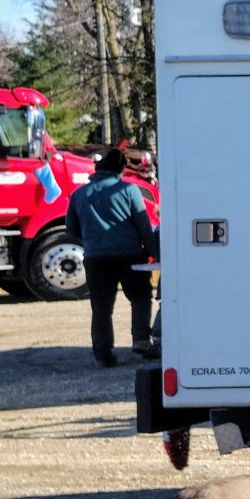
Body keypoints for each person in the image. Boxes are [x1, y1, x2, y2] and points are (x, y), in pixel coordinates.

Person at [67, 146, 156, 367]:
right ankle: (141, 342)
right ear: (121, 169)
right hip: (130, 255)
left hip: (96, 258)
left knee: (101, 308)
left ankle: (102, 354)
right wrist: (155, 251)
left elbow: (71, 228)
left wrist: (92, 241)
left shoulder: (79, 194)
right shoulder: (129, 190)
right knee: (140, 298)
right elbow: (144, 226)